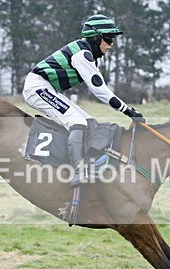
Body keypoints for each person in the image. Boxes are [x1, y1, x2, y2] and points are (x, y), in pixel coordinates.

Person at [23, 14, 144, 185]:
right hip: (37, 87)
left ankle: (90, 166)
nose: (111, 45)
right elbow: (98, 88)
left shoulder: (87, 53)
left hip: (48, 88)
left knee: (89, 122)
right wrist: (127, 110)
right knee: (77, 121)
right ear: (96, 38)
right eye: (108, 39)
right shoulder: (82, 55)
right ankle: (78, 172)